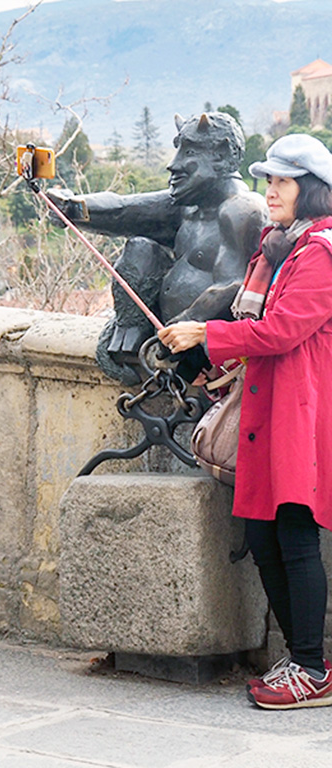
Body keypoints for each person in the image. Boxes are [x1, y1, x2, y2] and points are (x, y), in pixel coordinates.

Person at [159, 133, 332, 710]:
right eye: (268, 180)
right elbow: (254, 323)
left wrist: (206, 334)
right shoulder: (276, 247)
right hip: (264, 408)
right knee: (263, 535)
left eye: (282, 181)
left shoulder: (322, 253)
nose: (271, 191)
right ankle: (301, 660)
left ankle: (311, 666)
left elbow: (283, 330)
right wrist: (219, 360)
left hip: (299, 416)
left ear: (311, 190)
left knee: (296, 536)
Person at [49, 112, 266, 384]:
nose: (173, 165)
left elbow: (235, 283)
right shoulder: (185, 206)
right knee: (140, 248)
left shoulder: (242, 210)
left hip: (205, 352)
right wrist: (73, 208)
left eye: (188, 152)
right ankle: (128, 333)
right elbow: (123, 210)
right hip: (165, 338)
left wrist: (182, 326)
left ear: (220, 154)